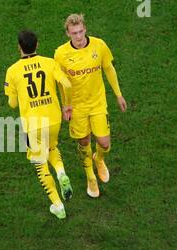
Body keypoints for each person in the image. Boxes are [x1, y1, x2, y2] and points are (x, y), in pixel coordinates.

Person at [54, 14, 127, 198]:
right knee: (84, 142)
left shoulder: (99, 45)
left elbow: (108, 68)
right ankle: (90, 177)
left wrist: (118, 95)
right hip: (77, 107)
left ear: (85, 29)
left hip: (97, 104)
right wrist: (66, 106)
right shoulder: (61, 54)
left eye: (80, 32)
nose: (78, 37)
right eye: (74, 33)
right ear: (67, 34)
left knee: (104, 143)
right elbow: (61, 83)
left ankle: (99, 159)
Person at [4, 30, 74, 220]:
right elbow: (66, 85)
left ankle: (57, 205)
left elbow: (12, 104)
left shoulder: (12, 71)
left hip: (33, 124)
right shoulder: (50, 63)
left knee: (40, 163)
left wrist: (13, 92)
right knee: (51, 147)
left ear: (19, 47)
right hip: (53, 118)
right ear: (37, 45)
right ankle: (61, 172)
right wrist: (67, 105)